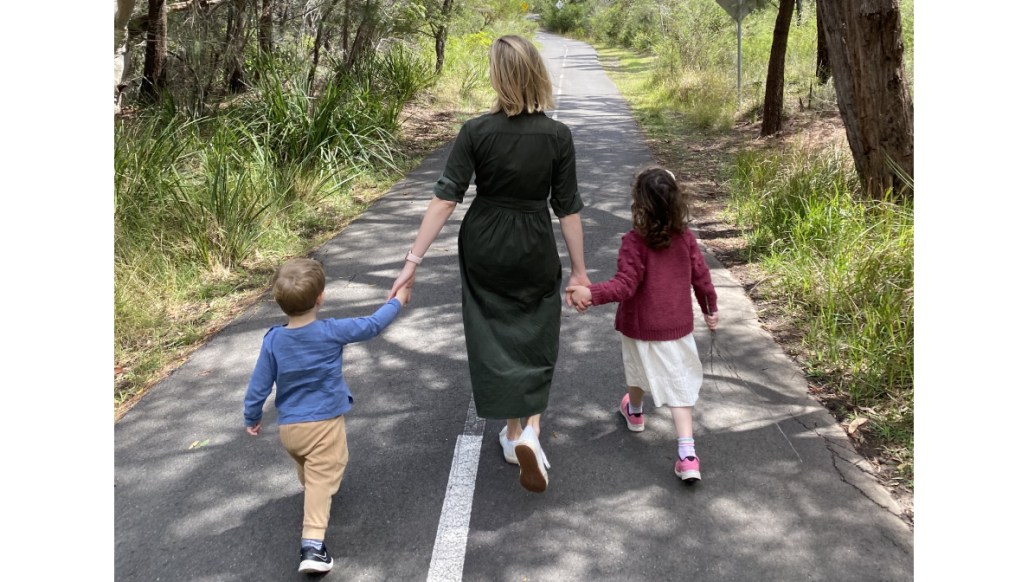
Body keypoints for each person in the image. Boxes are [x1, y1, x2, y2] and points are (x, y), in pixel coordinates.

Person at [387, 35, 588, 493]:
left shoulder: (476, 132)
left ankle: (514, 430)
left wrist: (412, 261)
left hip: (484, 240)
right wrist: (579, 272)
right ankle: (529, 431)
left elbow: (445, 198)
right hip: (533, 239)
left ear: (498, 77)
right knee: (537, 327)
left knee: (493, 330)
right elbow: (568, 208)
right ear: (537, 73)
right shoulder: (558, 136)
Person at [243, 258, 410, 573]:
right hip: (323, 424)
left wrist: (251, 416)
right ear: (320, 297)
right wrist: (397, 301)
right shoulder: (331, 331)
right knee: (328, 470)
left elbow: (258, 386)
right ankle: (312, 547)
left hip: (290, 429)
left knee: (310, 467)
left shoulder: (273, 340)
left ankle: (314, 485)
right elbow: (372, 325)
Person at [566, 167, 718, 483]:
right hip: (676, 327)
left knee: (636, 368)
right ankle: (687, 455)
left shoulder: (634, 242)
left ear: (639, 204)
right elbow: (701, 278)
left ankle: (635, 411)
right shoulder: (686, 239)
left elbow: (624, 285)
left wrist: (589, 294)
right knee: (680, 386)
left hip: (640, 326)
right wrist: (709, 309)